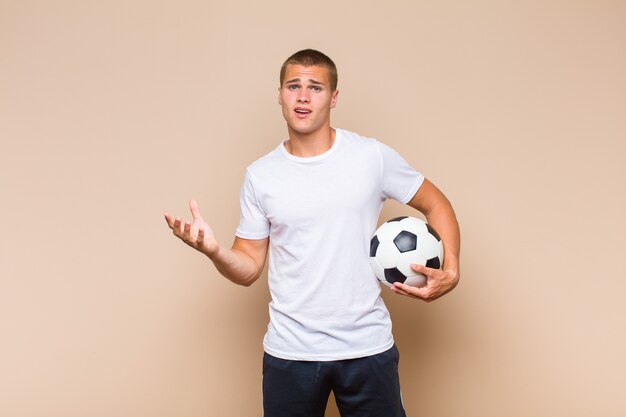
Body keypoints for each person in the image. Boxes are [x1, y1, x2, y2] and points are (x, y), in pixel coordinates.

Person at [164, 49, 460, 417]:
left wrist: (452, 269)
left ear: (333, 97)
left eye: (315, 87)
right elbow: (249, 267)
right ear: (280, 94)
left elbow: (437, 204)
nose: (303, 96)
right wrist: (215, 252)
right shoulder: (261, 175)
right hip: (291, 353)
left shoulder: (370, 157)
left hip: (366, 346)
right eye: (294, 86)